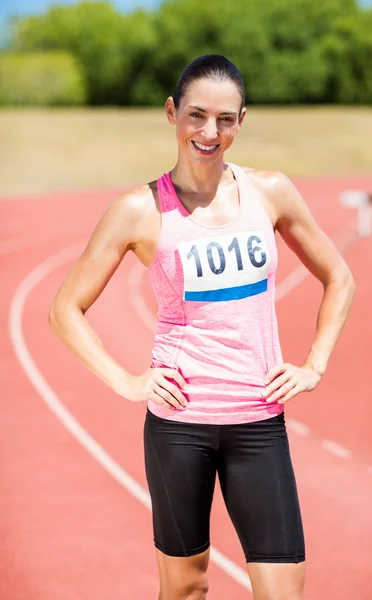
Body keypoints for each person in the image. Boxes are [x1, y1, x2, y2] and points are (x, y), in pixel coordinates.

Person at [49, 54, 355, 600]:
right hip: (180, 427)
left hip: (258, 421)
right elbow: (63, 308)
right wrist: (125, 380)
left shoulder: (271, 192)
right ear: (172, 113)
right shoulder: (139, 211)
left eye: (225, 119)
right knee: (187, 587)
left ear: (241, 121)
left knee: (284, 592)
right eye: (196, 115)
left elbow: (340, 277)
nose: (209, 132)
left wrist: (315, 364)